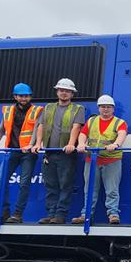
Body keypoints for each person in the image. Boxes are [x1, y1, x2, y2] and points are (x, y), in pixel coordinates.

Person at [0, 83, 43, 224]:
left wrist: (32, 144)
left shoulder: (37, 111)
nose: (24, 98)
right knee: (0, 180)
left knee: (24, 183)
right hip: (11, 151)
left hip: (28, 153)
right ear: (15, 96)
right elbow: (0, 130)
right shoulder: (8, 111)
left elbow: (37, 129)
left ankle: (17, 214)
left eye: (27, 96)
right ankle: (3, 213)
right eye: (21, 96)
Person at [32, 78, 85, 224]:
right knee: (50, 185)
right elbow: (41, 126)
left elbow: (76, 127)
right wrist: (38, 143)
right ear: (57, 92)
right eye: (61, 90)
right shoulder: (48, 108)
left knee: (65, 185)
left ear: (72, 94)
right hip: (49, 152)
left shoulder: (78, 109)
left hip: (66, 154)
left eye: (67, 91)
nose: (64, 93)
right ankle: (51, 214)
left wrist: (70, 144)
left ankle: (60, 215)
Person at [72, 95, 128, 225]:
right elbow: (83, 134)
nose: (105, 109)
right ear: (98, 108)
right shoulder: (91, 121)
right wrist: (81, 144)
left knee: (112, 189)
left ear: (113, 108)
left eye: (108, 107)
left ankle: (113, 214)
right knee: (90, 189)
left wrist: (116, 145)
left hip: (111, 160)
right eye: (103, 107)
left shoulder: (119, 122)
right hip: (92, 160)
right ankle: (86, 215)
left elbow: (122, 134)